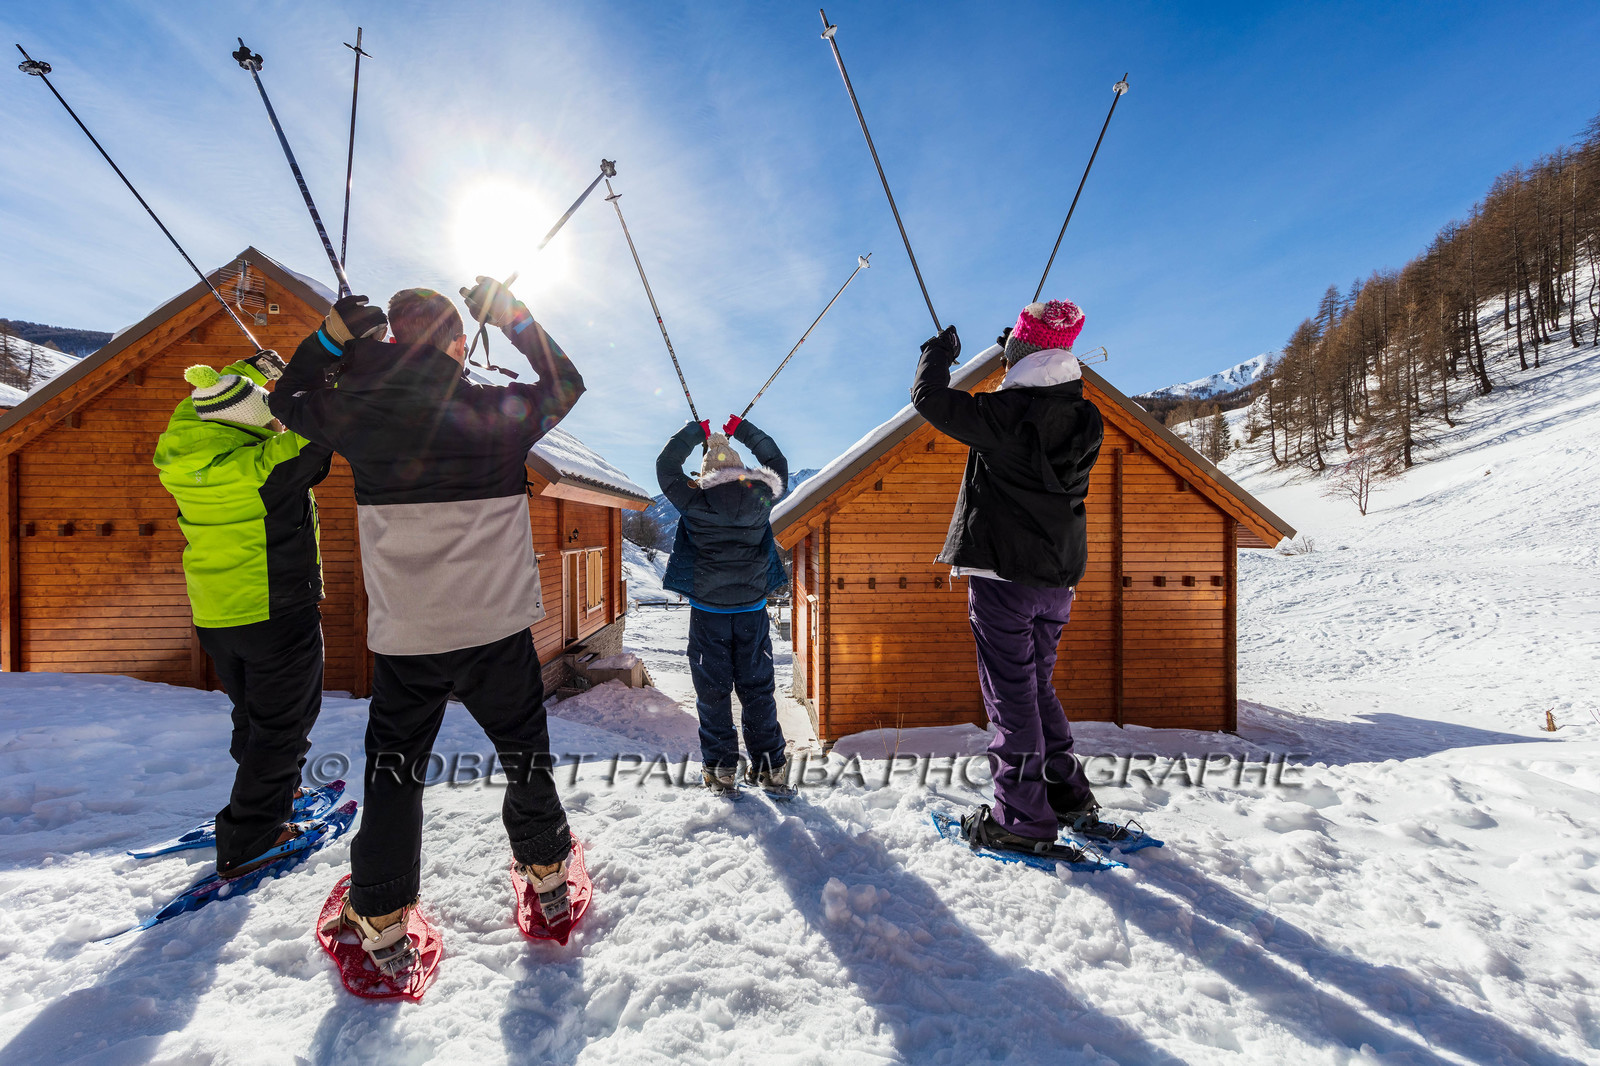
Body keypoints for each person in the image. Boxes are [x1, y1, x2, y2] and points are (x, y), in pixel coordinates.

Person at [269, 281, 583, 974]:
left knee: (393, 772)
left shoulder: (355, 414)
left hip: (409, 638)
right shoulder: (493, 413)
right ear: (453, 344)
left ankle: (380, 916)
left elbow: (284, 399)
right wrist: (510, 313)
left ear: (390, 342)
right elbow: (566, 382)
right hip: (497, 629)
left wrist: (328, 344)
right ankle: (548, 877)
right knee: (523, 749)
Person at [911, 299, 1126, 855]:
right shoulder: (1085, 418)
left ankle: (1022, 820)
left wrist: (936, 353)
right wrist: (1022, 352)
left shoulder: (1006, 418)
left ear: (1021, 355)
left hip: (1004, 578)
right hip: (1057, 581)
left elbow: (930, 400)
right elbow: (1038, 404)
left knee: (1011, 698)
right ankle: (1067, 798)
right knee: (1036, 690)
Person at [153, 351, 333, 877]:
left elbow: (205, 400)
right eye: (269, 419)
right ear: (251, 426)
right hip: (275, 612)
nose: (278, 424)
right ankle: (252, 835)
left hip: (217, 616)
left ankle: (271, 790)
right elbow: (321, 431)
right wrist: (329, 383)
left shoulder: (180, 448)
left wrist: (250, 370)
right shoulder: (263, 468)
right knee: (285, 722)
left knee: (253, 714)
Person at [657, 416, 793, 797]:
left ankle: (721, 772)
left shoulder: (694, 501)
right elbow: (776, 462)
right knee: (758, 690)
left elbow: (666, 467)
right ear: (741, 471)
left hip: (709, 614)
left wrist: (695, 432)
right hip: (752, 611)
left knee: (713, 692)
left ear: (706, 475)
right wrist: (742, 428)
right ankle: (772, 770)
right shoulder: (762, 498)